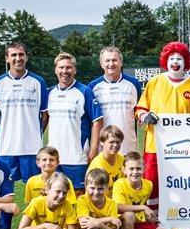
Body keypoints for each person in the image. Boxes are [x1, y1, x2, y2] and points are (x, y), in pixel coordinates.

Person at [135, 41, 190, 229]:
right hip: (154, 146)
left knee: (181, 186)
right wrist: (145, 115)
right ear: (166, 61)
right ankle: (152, 226)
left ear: (186, 62)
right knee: (152, 185)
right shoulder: (155, 82)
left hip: (184, 149)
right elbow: (140, 108)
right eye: (172, 58)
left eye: (180, 58)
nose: (175, 62)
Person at [0, 42, 48, 229]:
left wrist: (35, 133)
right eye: (13, 55)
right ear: (7, 58)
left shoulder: (38, 82)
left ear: (26, 57)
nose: (17, 58)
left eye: (21, 54)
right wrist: (7, 132)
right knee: (6, 195)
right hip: (7, 150)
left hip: (32, 149)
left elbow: (45, 115)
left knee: (38, 194)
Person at [47, 52, 104, 191]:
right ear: (55, 70)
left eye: (68, 67)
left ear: (75, 70)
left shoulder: (85, 91)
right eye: (61, 68)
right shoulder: (49, 92)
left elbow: (98, 121)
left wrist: (93, 150)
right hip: (53, 156)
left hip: (76, 156)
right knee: (55, 195)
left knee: (78, 195)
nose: (64, 71)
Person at [113, 152, 173, 229]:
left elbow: (142, 204)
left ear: (144, 169)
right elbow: (118, 207)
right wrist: (143, 208)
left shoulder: (148, 185)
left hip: (138, 223)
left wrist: (147, 216)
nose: (135, 172)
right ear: (124, 170)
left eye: (138, 168)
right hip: (120, 224)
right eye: (131, 168)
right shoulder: (119, 184)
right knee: (129, 215)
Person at [88, 46, 142, 155]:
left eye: (114, 60)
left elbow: (139, 111)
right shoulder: (93, 86)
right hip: (102, 149)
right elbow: (91, 120)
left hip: (128, 146)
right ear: (101, 64)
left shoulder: (133, 84)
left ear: (121, 62)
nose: (111, 64)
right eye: (107, 60)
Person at [87, 125, 126, 195]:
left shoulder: (121, 159)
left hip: (117, 199)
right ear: (102, 142)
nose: (115, 145)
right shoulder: (97, 165)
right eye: (111, 142)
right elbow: (94, 195)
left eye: (118, 142)